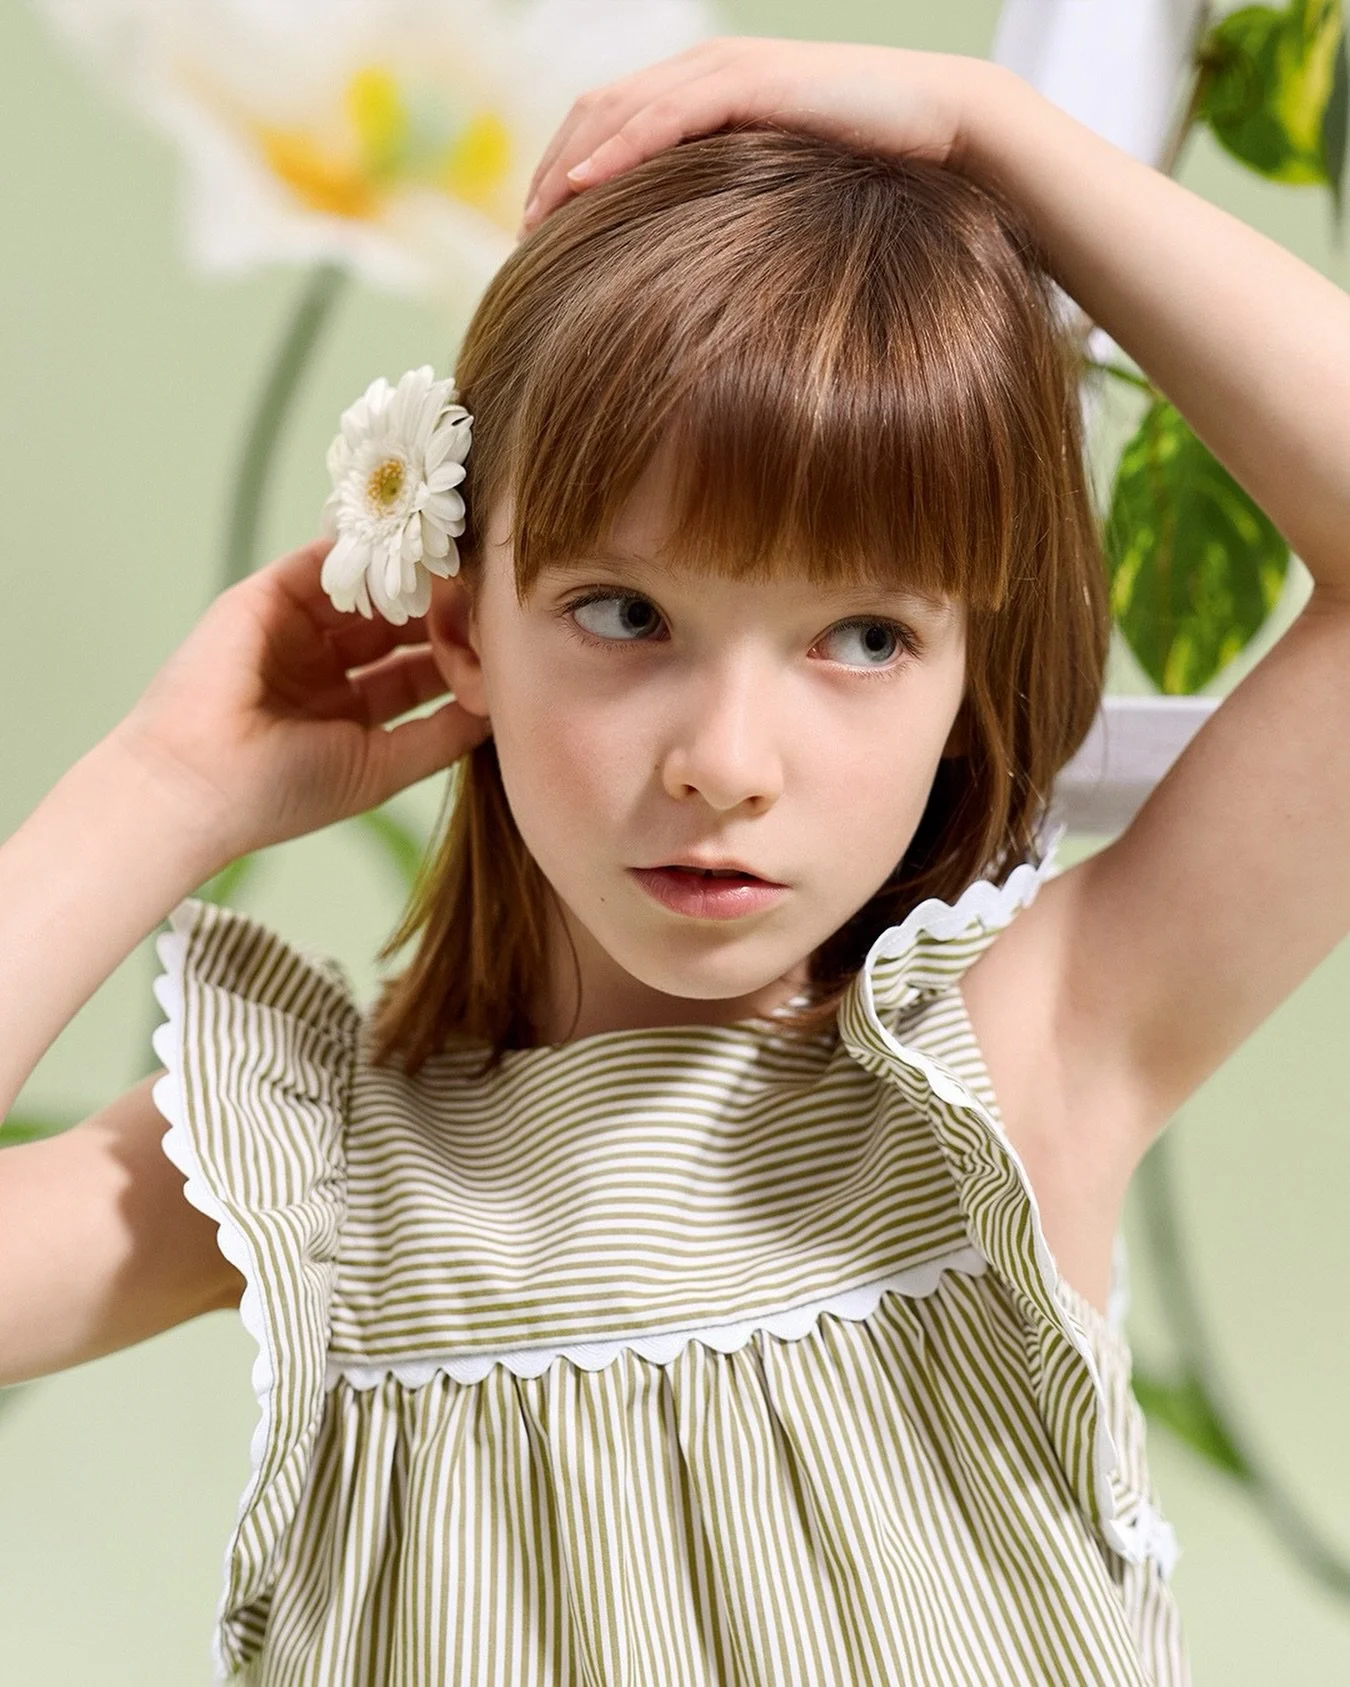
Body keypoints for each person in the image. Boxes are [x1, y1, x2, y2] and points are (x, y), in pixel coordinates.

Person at [4, 34, 1349, 1686]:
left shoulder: (1007, 1074)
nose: (725, 759)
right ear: (458, 623)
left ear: (958, 685)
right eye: (626, 614)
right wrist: (159, 784)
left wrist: (981, 131)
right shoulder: (319, 1174)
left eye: (859, 635)